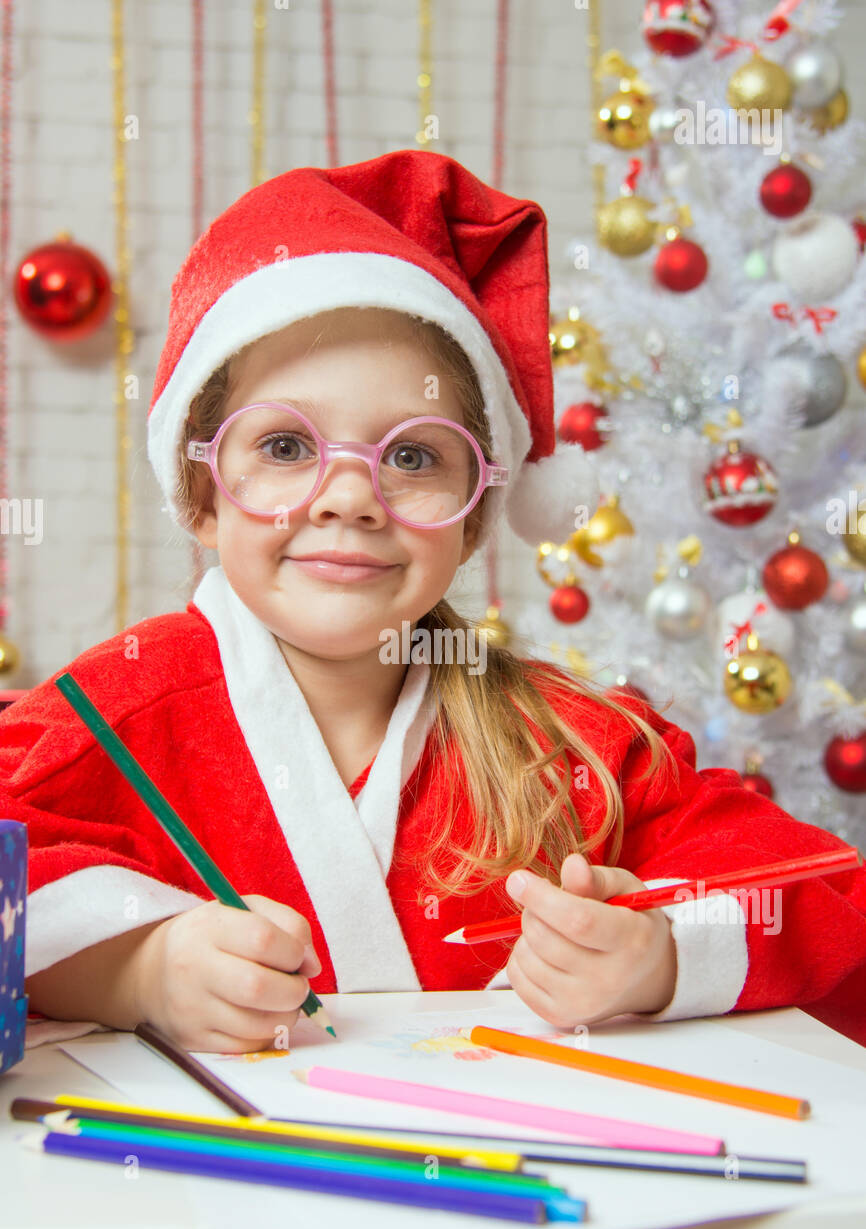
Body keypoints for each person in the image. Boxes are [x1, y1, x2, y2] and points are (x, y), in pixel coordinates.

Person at [5, 150, 865, 1054]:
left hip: (517, 1178)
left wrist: (658, 957)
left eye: (413, 457)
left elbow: (814, 885)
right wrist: (138, 967)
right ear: (205, 498)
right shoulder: (107, 715)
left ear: (474, 513)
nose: (349, 496)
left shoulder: (574, 745)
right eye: (286, 448)